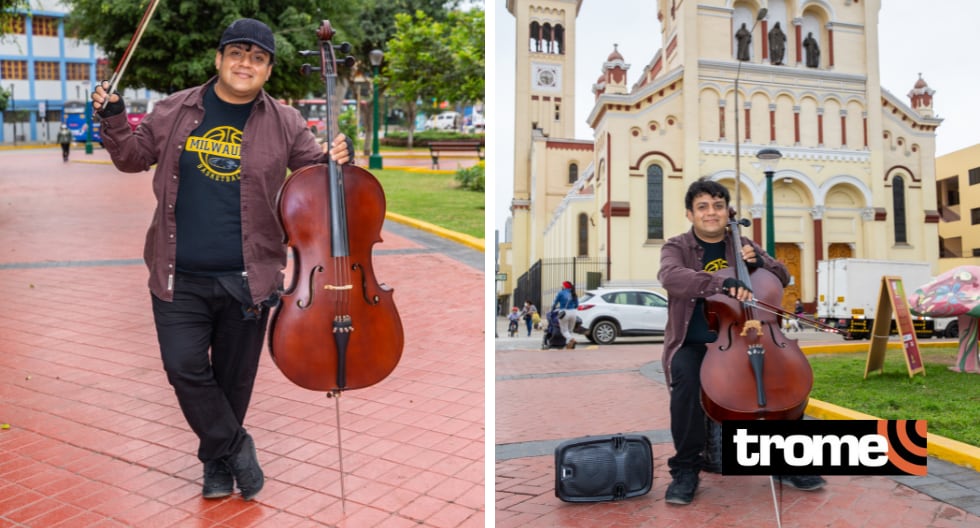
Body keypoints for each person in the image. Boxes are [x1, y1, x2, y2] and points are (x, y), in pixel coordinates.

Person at [91, 18, 353, 502]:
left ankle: (217, 469)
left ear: (268, 70)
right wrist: (113, 116)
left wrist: (342, 156)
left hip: (248, 278)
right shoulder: (174, 109)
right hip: (178, 274)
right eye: (236, 53)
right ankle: (235, 445)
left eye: (257, 58)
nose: (244, 64)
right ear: (218, 60)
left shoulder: (286, 122)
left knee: (234, 381)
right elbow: (131, 157)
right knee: (184, 367)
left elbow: (319, 177)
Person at [658, 178, 825, 505]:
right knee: (686, 382)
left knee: (787, 381)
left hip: (751, 333)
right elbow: (671, 277)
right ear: (690, 214)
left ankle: (786, 461)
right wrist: (720, 281)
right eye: (703, 207)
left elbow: (783, 276)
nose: (711, 213)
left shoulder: (743, 242)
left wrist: (760, 262)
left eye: (718, 206)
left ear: (727, 211)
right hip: (695, 342)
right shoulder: (677, 246)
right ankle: (686, 469)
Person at [551, 281, 579, 349]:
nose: (561, 286)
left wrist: (552, 309)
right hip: (574, 312)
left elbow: (555, 302)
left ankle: (572, 339)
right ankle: (568, 344)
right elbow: (577, 304)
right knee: (570, 330)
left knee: (564, 331)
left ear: (565, 286)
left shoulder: (561, 293)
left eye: (562, 285)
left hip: (564, 313)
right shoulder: (573, 293)